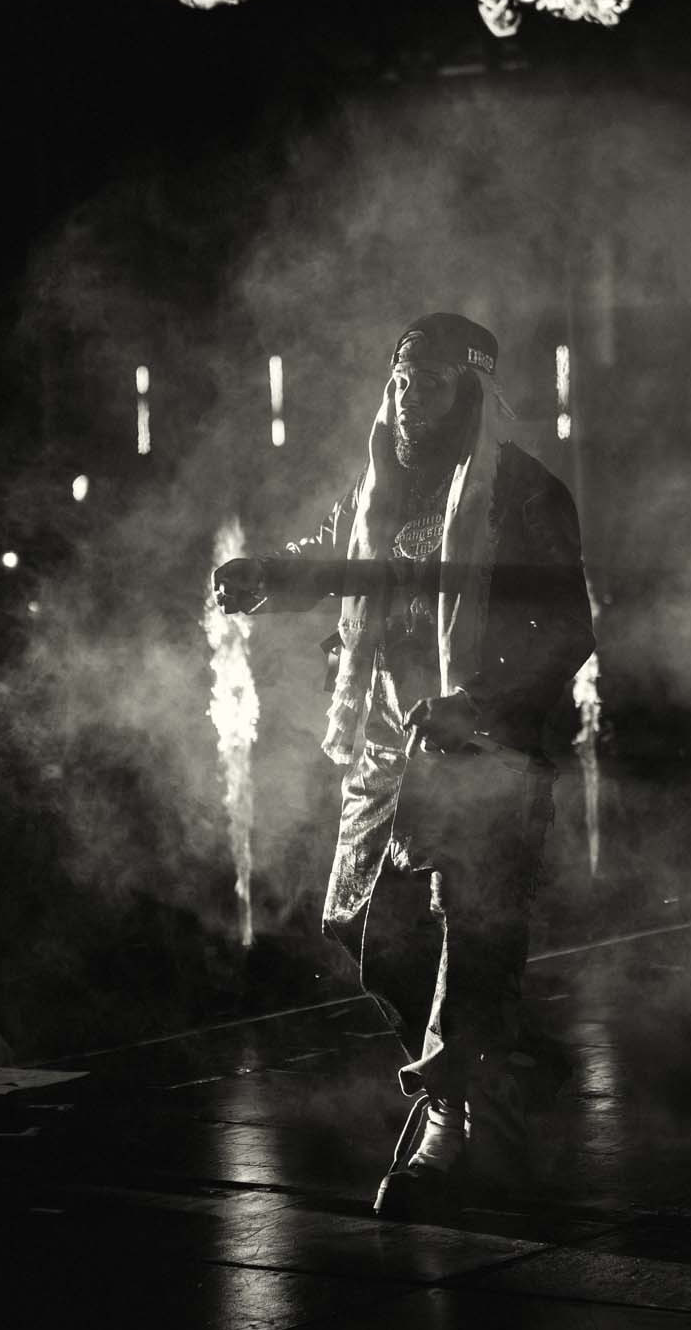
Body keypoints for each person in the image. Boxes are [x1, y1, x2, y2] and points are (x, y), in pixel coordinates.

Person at [213, 312, 594, 1217]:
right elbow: (333, 556)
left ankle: (448, 1123)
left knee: (471, 931)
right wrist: (268, 573)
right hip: (386, 743)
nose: (408, 394)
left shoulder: (524, 492)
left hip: (486, 748)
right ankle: (500, 1054)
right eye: (399, 376)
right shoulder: (379, 485)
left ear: (474, 389)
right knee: (357, 922)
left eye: (429, 378)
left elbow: (566, 629)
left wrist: (481, 701)